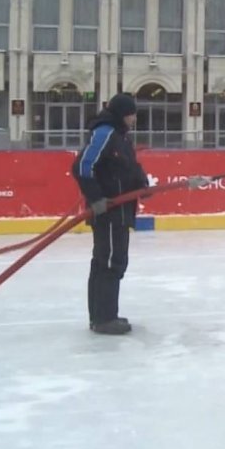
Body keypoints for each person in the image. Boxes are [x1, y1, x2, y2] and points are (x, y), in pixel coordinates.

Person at [72, 93, 148, 336]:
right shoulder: (105, 132)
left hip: (120, 211)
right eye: (132, 114)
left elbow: (128, 169)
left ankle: (101, 315)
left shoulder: (120, 137)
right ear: (123, 114)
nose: (135, 118)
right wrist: (95, 199)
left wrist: (142, 185)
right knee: (110, 263)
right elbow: (82, 165)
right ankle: (104, 319)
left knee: (105, 262)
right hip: (110, 212)